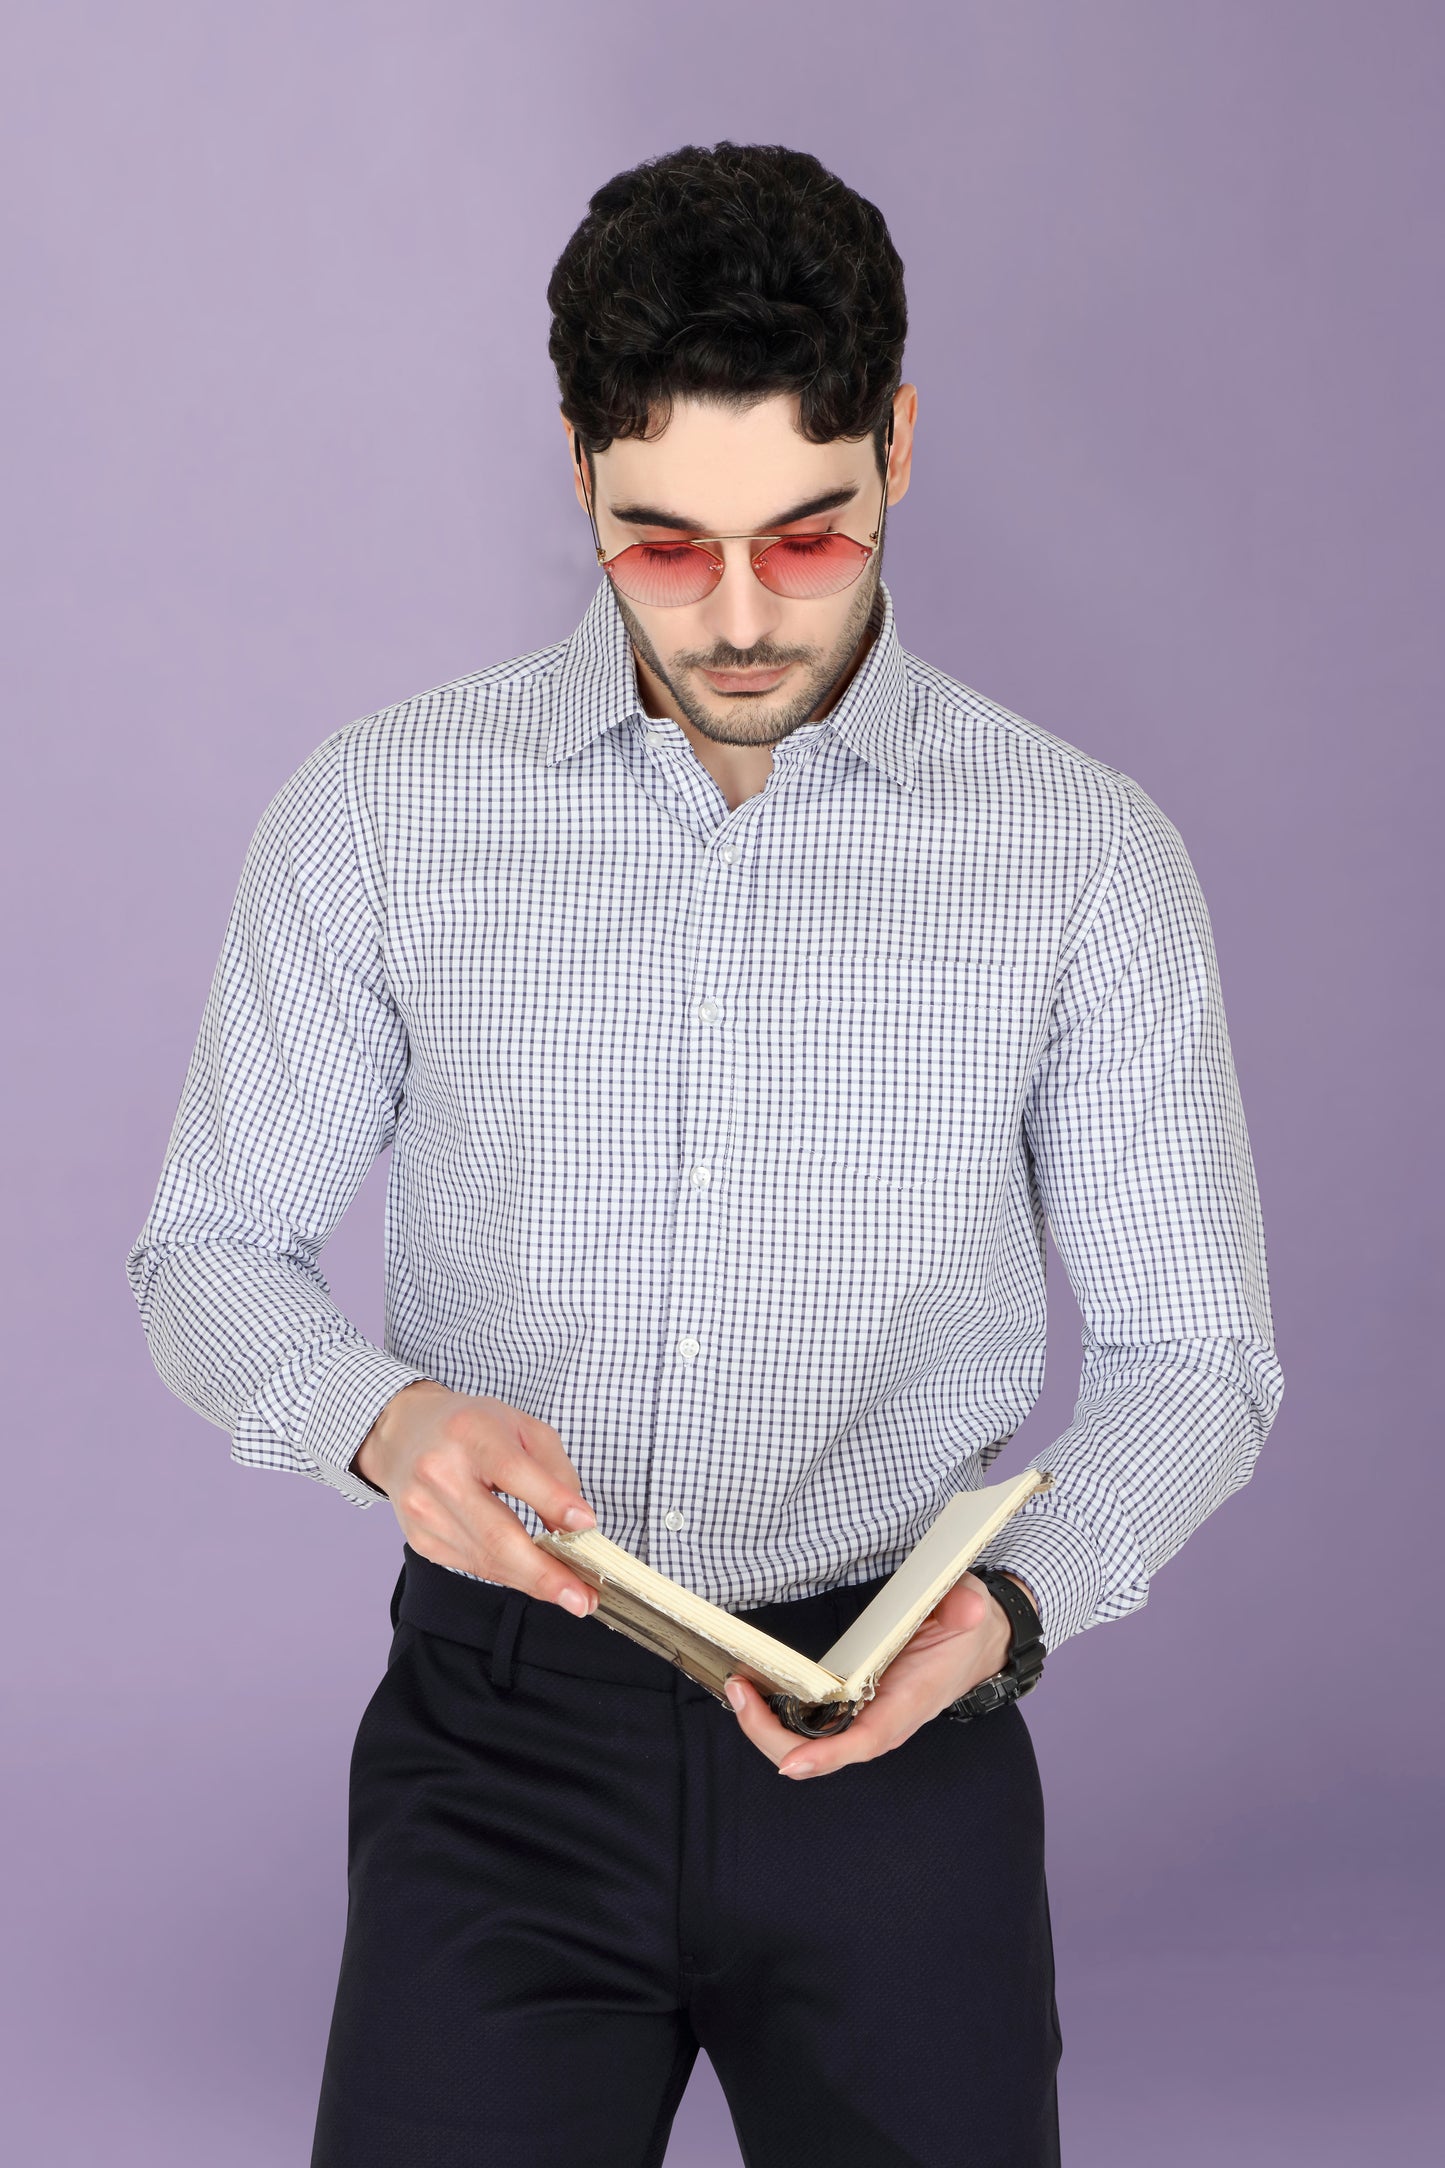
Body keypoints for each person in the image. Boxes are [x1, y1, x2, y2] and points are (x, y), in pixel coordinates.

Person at [125, 141, 1284, 2168]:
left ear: (899, 443)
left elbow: (1201, 1362)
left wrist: (1009, 1614)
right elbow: (209, 1248)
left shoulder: (1085, 861)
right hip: (503, 1748)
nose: (740, 617)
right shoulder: (383, 812)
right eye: (662, 546)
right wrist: (386, 1420)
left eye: (806, 537)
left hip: (900, 1741)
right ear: (576, 463)